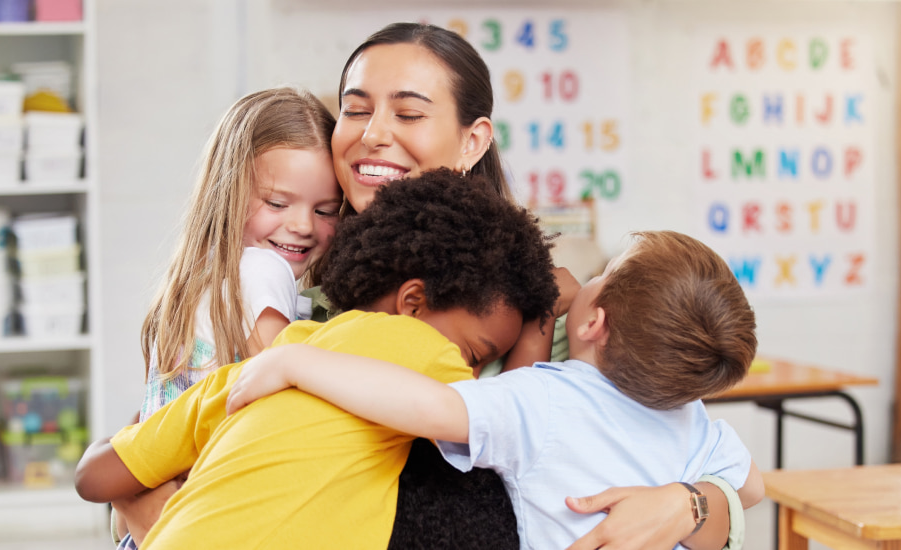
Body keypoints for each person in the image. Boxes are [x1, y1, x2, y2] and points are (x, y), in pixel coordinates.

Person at [327, 23, 750, 549]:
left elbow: (724, 487)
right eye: (356, 109)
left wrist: (685, 504)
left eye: (409, 113)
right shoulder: (295, 274)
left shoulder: (535, 304)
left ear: (473, 141)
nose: (373, 134)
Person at [75, 172, 561, 549]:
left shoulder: (256, 370)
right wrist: (543, 319)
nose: (470, 373)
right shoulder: (422, 349)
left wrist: (137, 443)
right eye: (474, 355)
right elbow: (504, 423)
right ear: (413, 303)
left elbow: (94, 476)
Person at [229, 230, 766, 549]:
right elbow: (753, 487)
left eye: (606, 273)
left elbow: (430, 406)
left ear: (592, 324)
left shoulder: (546, 402)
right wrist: (687, 498)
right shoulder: (688, 411)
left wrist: (301, 362)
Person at [116, 86, 342, 543]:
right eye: (277, 203)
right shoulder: (263, 269)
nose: (301, 225)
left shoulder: (193, 282)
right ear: (229, 190)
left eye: (325, 210)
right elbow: (287, 385)